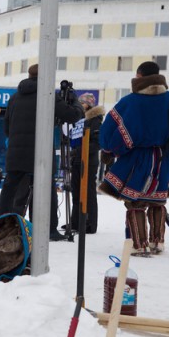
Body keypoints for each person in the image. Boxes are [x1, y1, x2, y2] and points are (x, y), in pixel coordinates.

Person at [99, 61, 169, 256]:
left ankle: (138, 244)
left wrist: (110, 150)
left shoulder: (131, 101)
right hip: (165, 158)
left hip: (139, 160)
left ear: (139, 77)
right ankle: (158, 242)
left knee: (135, 202)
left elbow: (110, 131)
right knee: (158, 201)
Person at [0, 64, 84, 241]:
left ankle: (1, 225)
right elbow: (74, 115)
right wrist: (74, 100)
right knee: (45, 191)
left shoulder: (14, 98)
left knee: (10, 189)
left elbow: (7, 128)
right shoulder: (48, 96)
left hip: (16, 152)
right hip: (41, 152)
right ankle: (48, 229)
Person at [68, 93, 105, 234]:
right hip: (77, 160)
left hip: (89, 161)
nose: (80, 105)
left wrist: (80, 150)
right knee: (76, 191)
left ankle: (90, 223)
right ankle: (76, 222)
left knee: (88, 192)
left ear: (88, 104)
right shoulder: (80, 119)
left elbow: (97, 143)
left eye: (82, 103)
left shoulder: (95, 120)